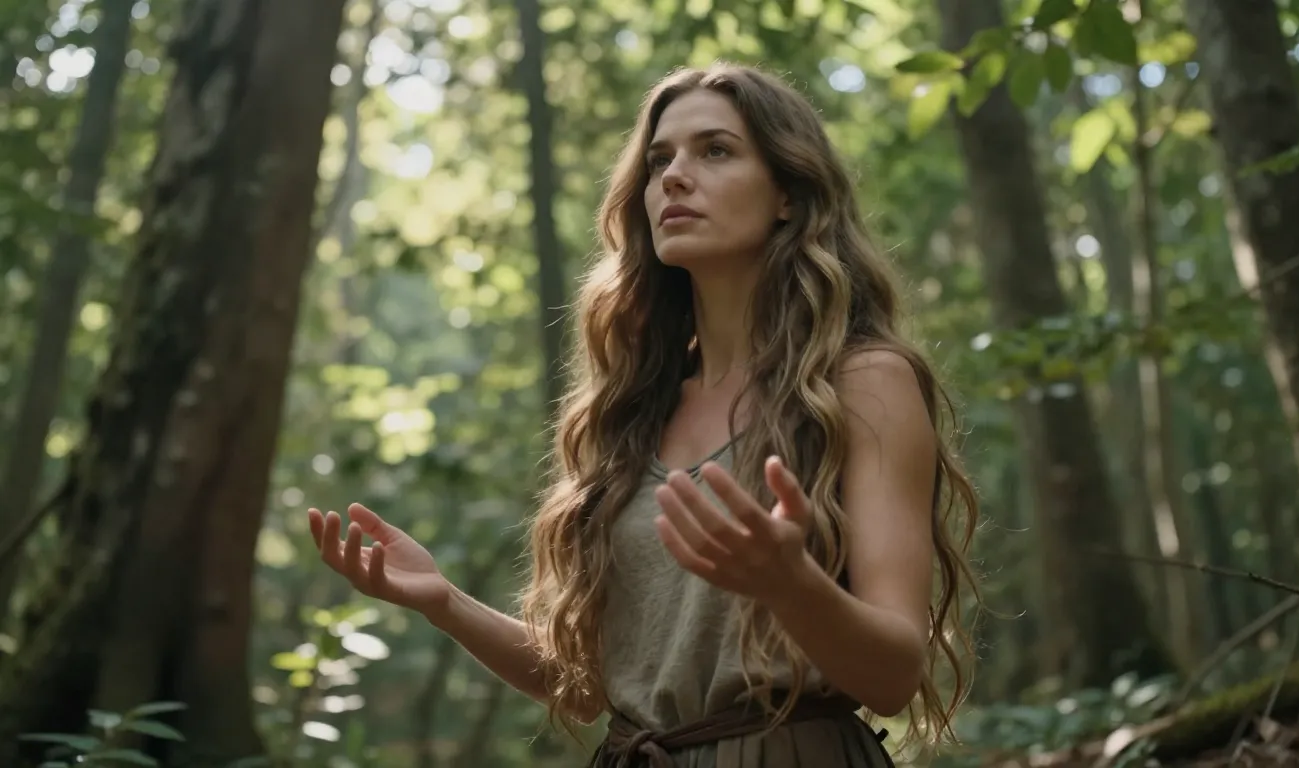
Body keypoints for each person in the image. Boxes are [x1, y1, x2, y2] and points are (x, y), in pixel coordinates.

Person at [308, 62, 979, 767]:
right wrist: (444, 602)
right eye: (660, 160)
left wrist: (791, 584)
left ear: (787, 191)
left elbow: (895, 675)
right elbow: (593, 688)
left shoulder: (864, 383)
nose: (674, 178)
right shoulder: (634, 410)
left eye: (715, 150)